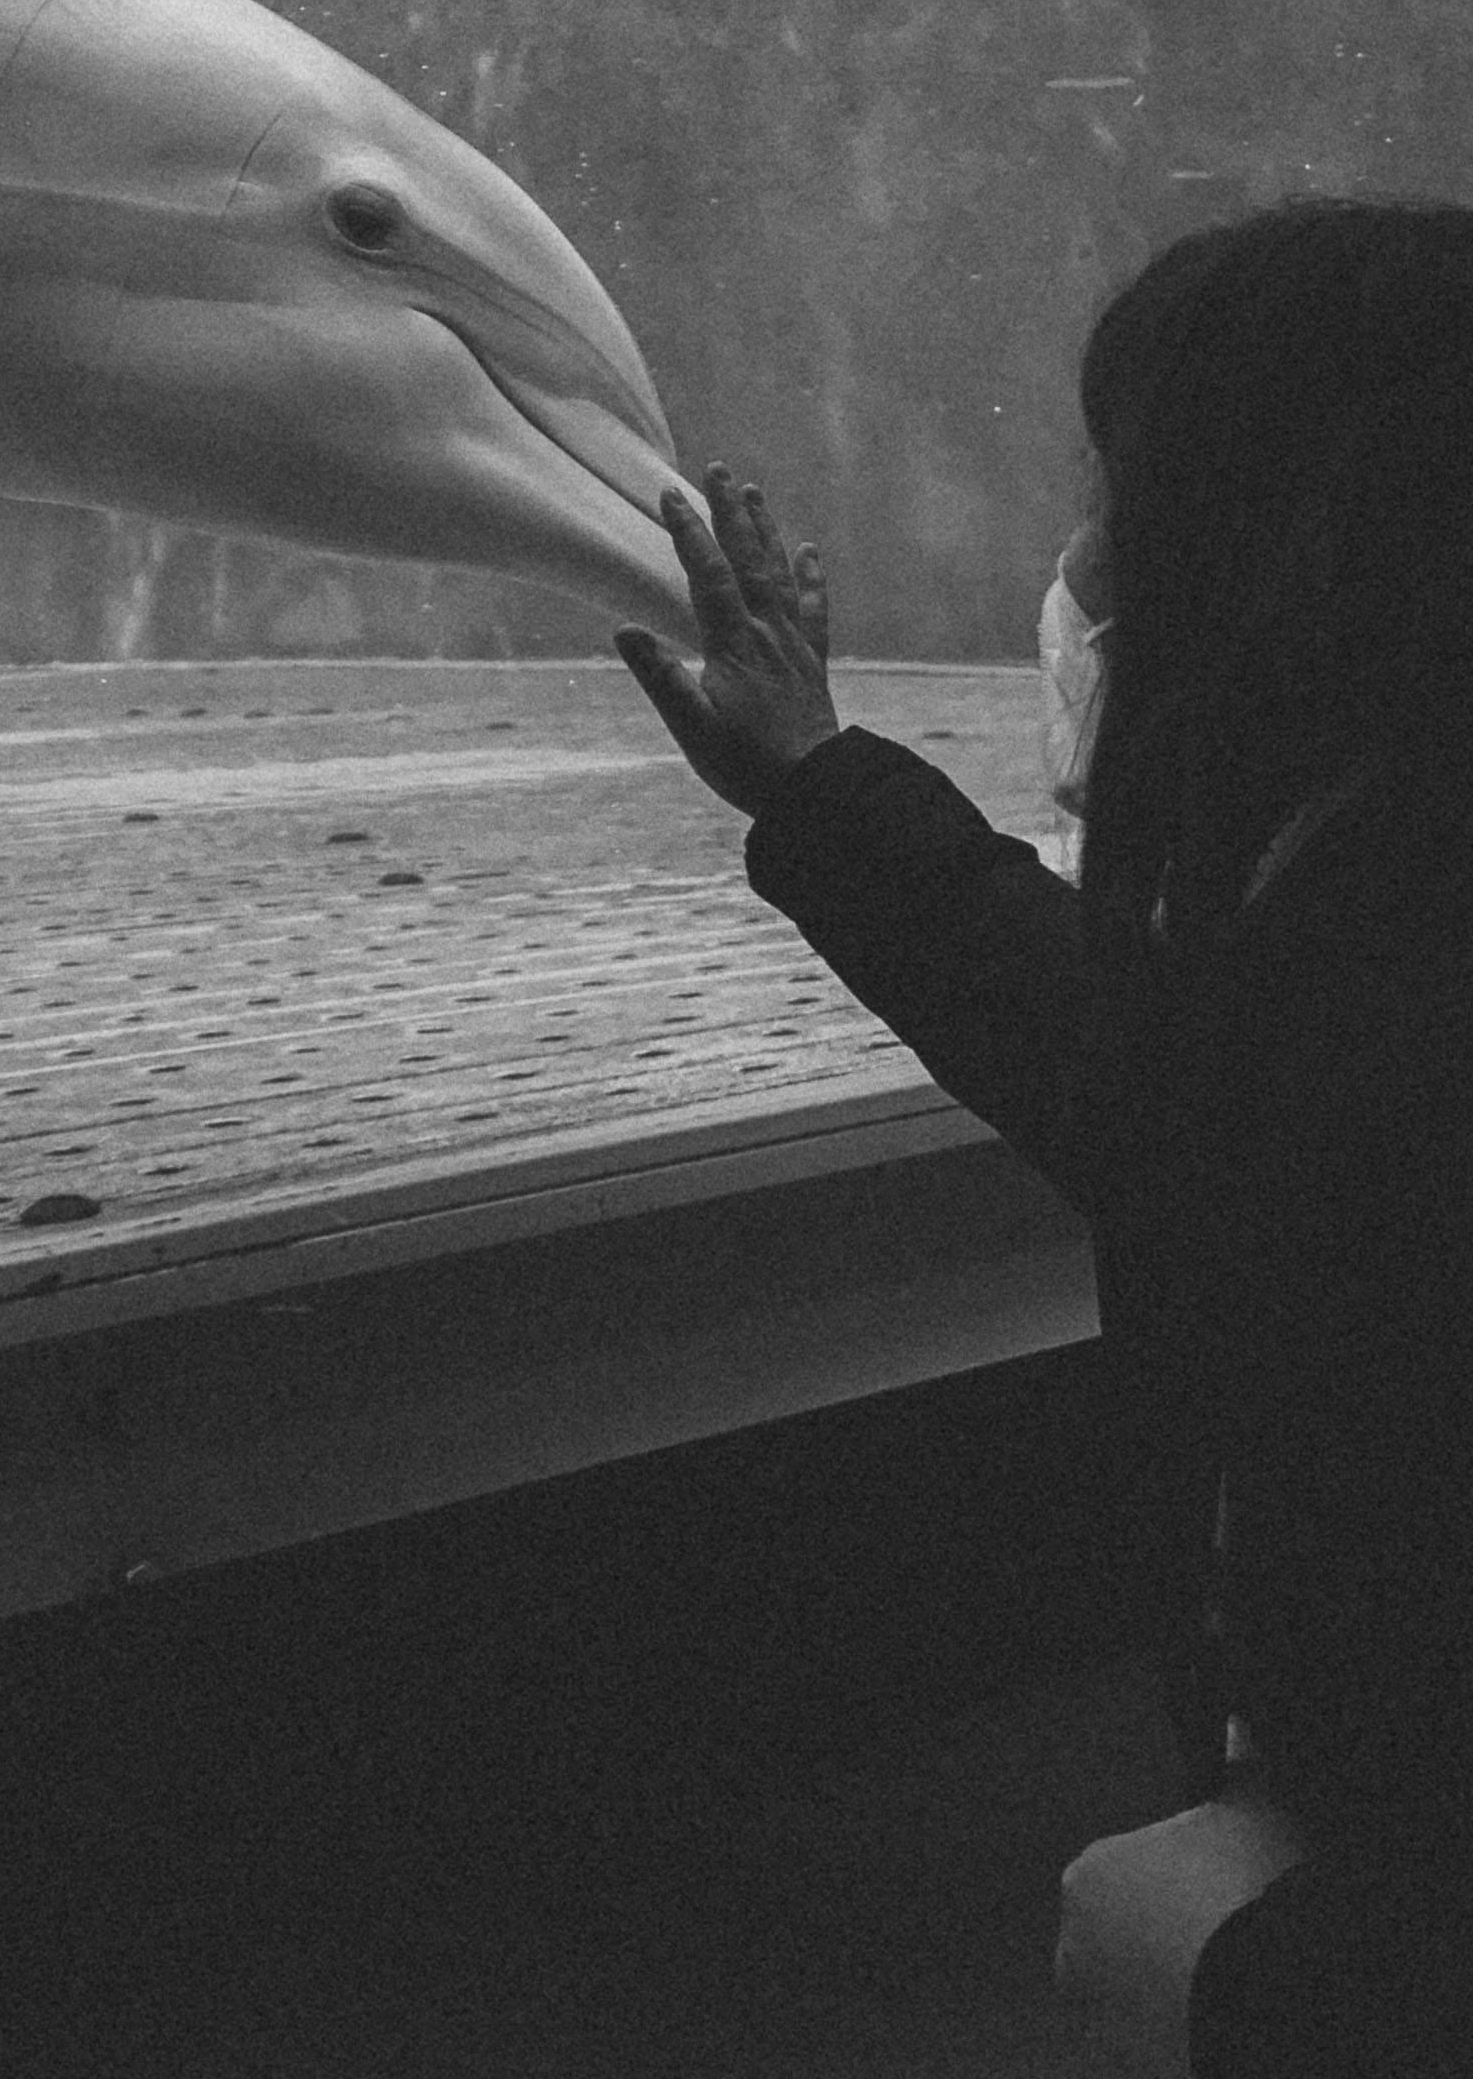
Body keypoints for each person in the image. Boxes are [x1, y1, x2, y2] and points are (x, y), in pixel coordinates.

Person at [614, 200, 1473, 2076]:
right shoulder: (1363, 888)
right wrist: (820, 775)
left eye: (1131, 487)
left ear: (1289, 535)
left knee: (1136, 1930)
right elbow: (1162, 1081)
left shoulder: (1391, 958)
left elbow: (1189, 1100)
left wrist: (1298, 1964)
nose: (1088, 557)